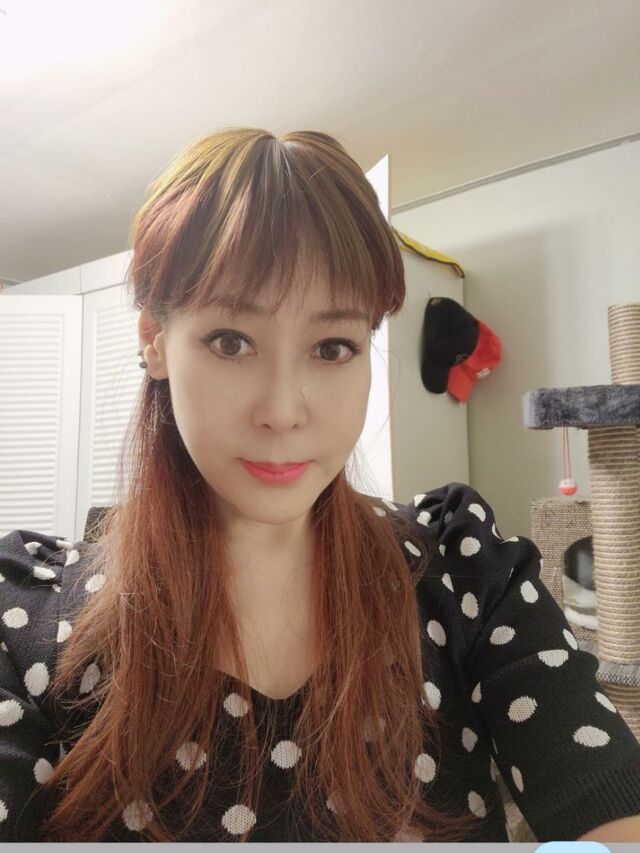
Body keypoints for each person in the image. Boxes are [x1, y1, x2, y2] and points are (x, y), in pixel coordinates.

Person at [1, 128, 640, 843]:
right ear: (154, 338)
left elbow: (608, 806)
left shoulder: (464, 571)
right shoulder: (23, 622)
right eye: (231, 341)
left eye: (333, 347)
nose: (283, 410)